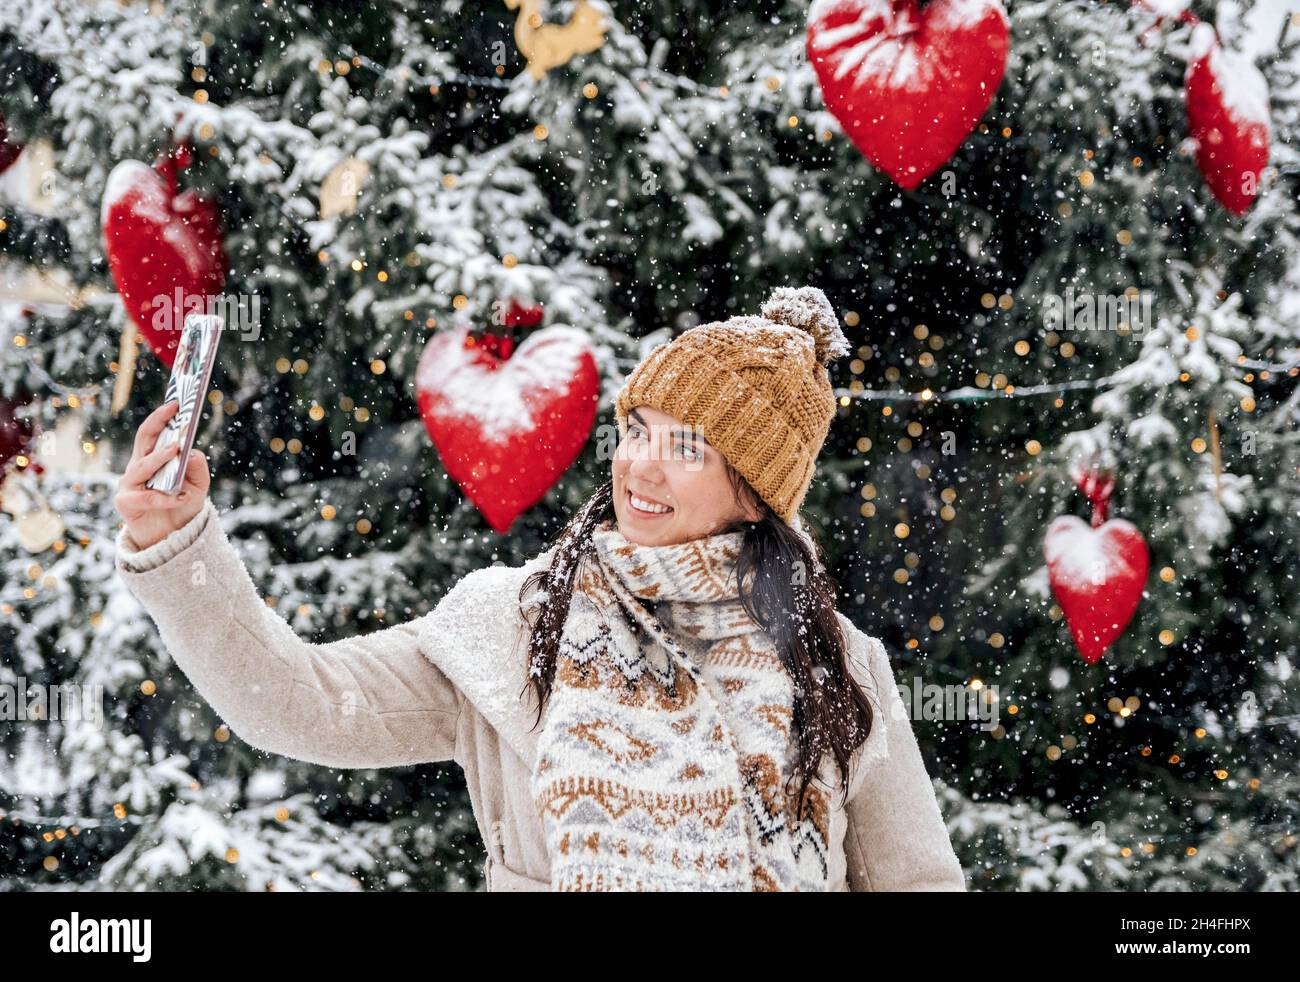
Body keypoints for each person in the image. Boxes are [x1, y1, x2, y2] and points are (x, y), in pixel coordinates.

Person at [114, 285, 967, 892]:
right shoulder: (517, 626)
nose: (638, 465)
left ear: (757, 492)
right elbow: (298, 700)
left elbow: (919, 883)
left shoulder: (836, 662)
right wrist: (177, 545)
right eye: (637, 429)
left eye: (687, 448)